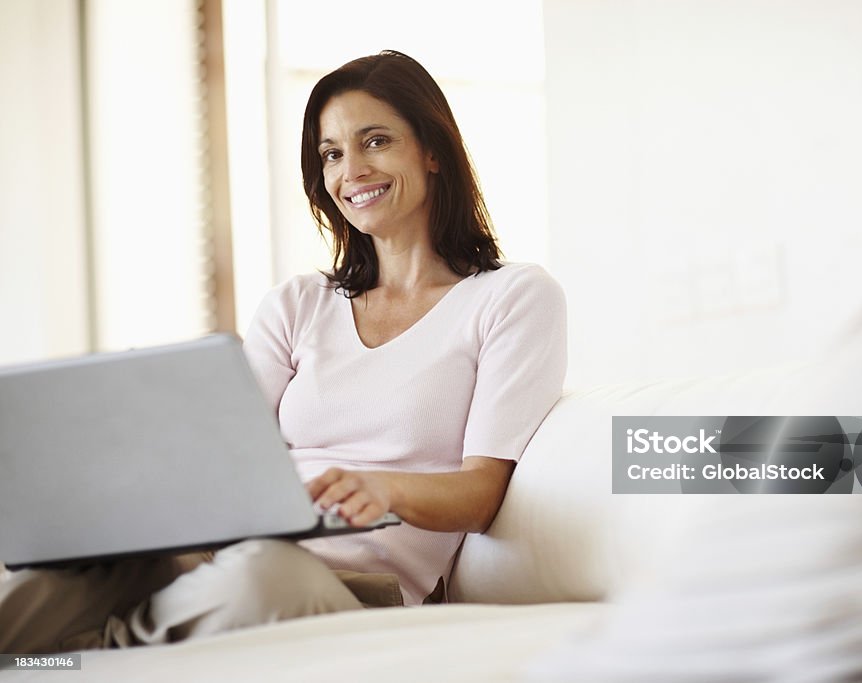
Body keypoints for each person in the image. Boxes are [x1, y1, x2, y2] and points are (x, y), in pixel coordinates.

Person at [0, 50, 567, 652]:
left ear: (432, 151)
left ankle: (93, 658)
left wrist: (385, 488)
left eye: (376, 141)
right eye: (332, 153)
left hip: (351, 584)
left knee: (261, 573)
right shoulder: (299, 303)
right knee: (57, 577)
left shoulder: (511, 297)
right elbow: (219, 457)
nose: (352, 169)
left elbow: (481, 495)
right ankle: (78, 652)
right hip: (224, 559)